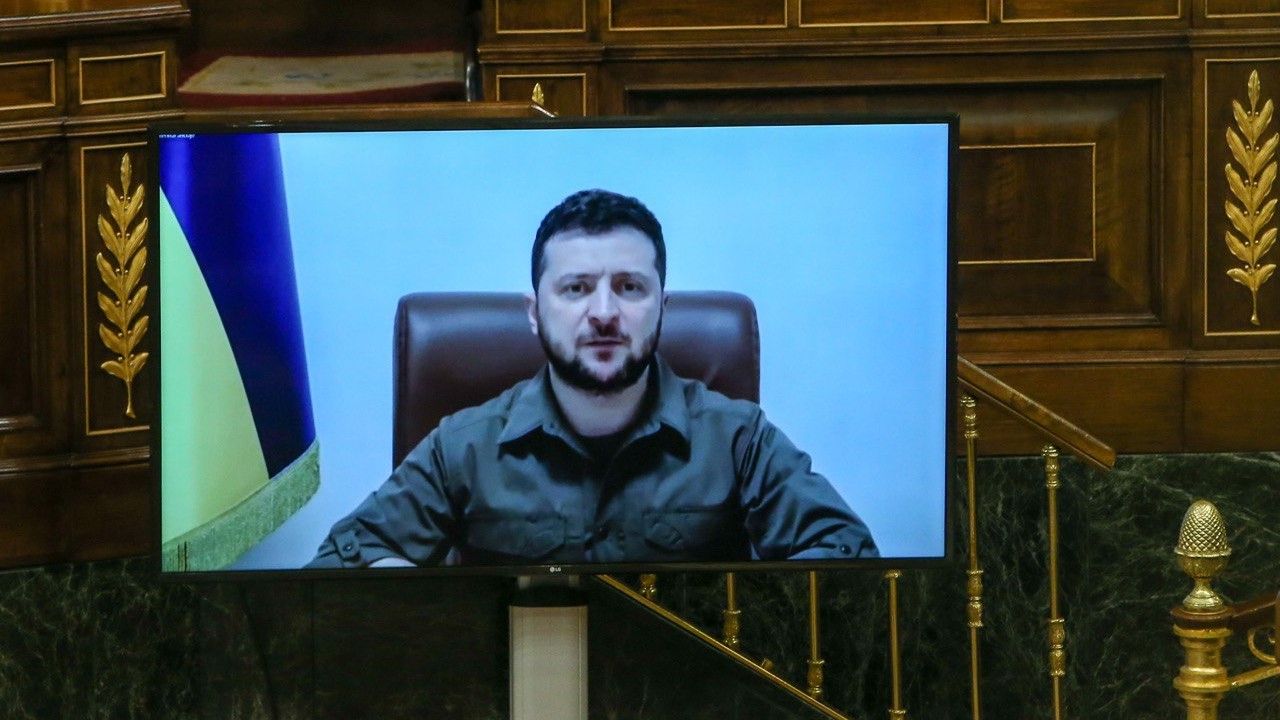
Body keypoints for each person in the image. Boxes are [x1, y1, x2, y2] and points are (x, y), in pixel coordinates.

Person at [308, 189, 877, 567]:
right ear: (535, 311)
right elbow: (337, 565)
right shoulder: (464, 446)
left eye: (629, 287)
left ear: (662, 306)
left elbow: (850, 554)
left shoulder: (737, 438)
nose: (604, 313)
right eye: (576, 288)